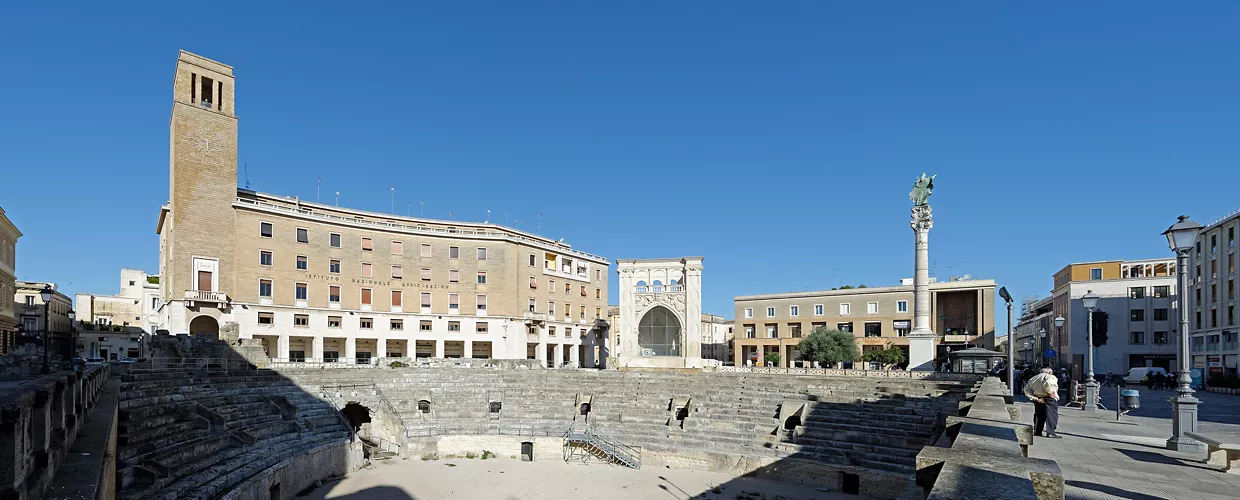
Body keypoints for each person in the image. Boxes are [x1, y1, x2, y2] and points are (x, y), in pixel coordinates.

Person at [1024, 367, 1061, 438]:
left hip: (1038, 398)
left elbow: (1026, 389)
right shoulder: (1050, 376)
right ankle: (1050, 432)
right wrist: (1050, 392)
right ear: (1049, 372)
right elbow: (1048, 383)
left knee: (1039, 415)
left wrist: (1035, 398)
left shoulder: (1034, 378)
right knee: (1051, 415)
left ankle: (1038, 431)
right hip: (1049, 397)